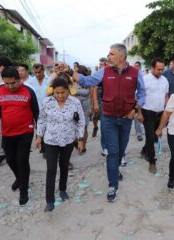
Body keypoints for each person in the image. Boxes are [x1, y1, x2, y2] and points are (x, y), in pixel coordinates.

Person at [72, 43, 146, 202]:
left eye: (111, 54)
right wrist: (69, 71)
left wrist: (135, 109)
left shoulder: (135, 73)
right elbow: (86, 81)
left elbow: (142, 93)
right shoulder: (104, 71)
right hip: (109, 118)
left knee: (120, 149)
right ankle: (113, 184)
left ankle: (115, 169)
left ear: (121, 56)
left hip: (126, 118)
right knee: (112, 151)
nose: (108, 56)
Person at [0, 66, 39, 205]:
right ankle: (20, 178)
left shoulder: (28, 91)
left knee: (22, 160)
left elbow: (36, 112)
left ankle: (24, 190)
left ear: (19, 79)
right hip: (8, 132)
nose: (10, 86)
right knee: (10, 160)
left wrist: (39, 133)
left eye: (13, 83)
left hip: (25, 131)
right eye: (7, 83)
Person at [36, 77, 85, 212]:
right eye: (57, 93)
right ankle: (50, 200)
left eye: (62, 92)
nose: (60, 96)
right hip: (50, 140)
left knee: (64, 166)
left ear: (68, 91)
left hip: (68, 139)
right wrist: (39, 136)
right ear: (53, 92)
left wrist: (80, 140)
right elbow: (41, 120)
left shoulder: (75, 102)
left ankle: (62, 189)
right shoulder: (47, 102)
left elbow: (80, 121)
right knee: (51, 169)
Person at [141, 57, 169, 173]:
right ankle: (152, 162)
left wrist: (167, 110)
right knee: (151, 136)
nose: (161, 72)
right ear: (152, 68)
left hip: (161, 113)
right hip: (148, 112)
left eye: (162, 69)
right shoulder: (144, 80)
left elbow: (166, 96)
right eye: (158, 69)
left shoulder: (165, 80)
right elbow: (139, 96)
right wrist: (138, 113)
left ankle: (144, 150)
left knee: (156, 136)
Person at [0, 56, 13, 167]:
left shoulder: (15, 75)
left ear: (3, 66)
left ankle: (12, 151)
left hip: (12, 108)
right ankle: (1, 153)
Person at [91, 57, 107, 156]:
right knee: (103, 125)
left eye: (103, 64)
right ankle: (104, 147)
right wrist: (94, 103)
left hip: (110, 103)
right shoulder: (97, 75)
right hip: (101, 101)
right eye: (100, 64)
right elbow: (94, 88)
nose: (102, 66)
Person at [133, 61, 145, 142]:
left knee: (143, 116)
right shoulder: (132, 74)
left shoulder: (144, 75)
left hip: (143, 98)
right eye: (135, 66)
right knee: (136, 116)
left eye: (137, 66)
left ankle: (143, 130)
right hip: (135, 98)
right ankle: (139, 134)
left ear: (140, 67)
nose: (136, 67)